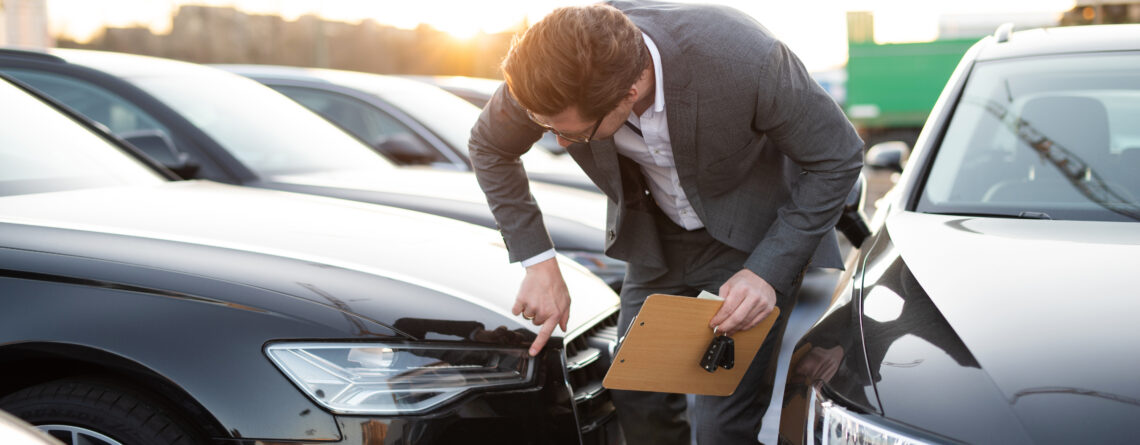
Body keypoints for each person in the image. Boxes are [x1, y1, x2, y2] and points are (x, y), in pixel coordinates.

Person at [467, 1, 863, 443]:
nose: (560, 142)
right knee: (636, 391)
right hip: (656, 240)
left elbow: (839, 155)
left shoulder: (748, 59)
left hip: (753, 240)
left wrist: (767, 272)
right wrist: (538, 262)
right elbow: (489, 147)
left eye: (573, 135)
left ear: (627, 96)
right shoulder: (550, 73)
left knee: (722, 423)